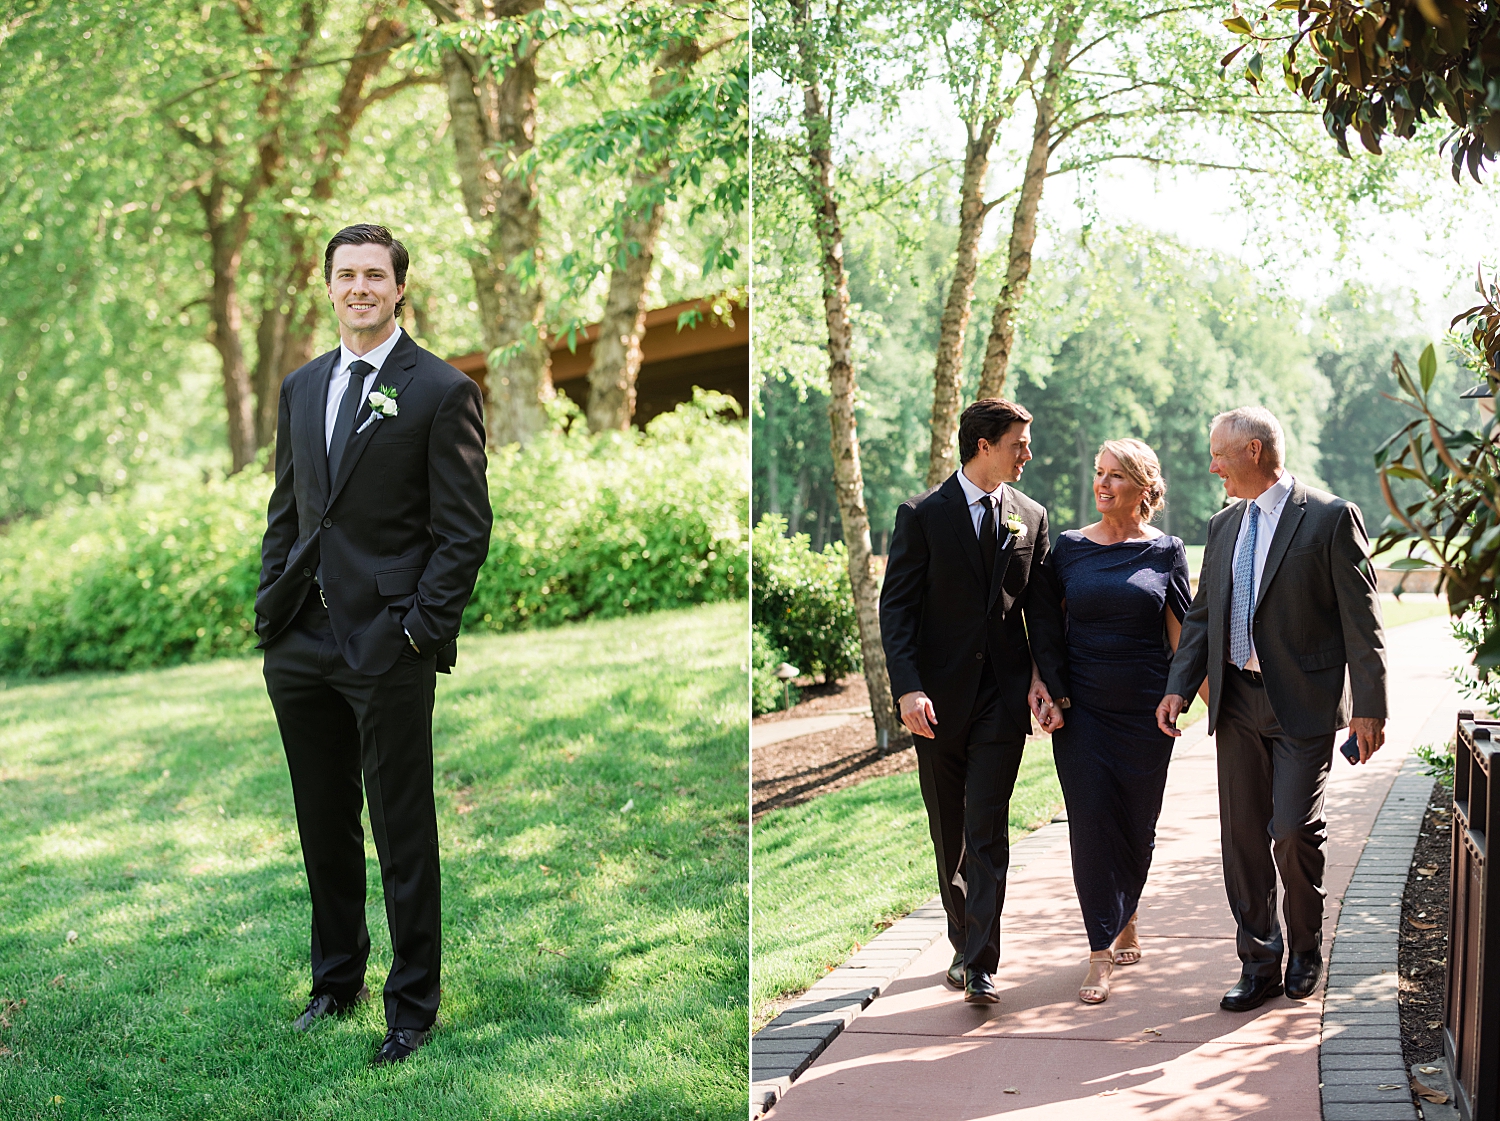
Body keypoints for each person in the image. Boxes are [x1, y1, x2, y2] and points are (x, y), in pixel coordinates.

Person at [255, 224, 492, 1064]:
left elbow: (464, 533)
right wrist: (269, 608)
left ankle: (412, 1006)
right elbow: (290, 508)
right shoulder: (302, 384)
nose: (359, 287)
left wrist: (418, 632)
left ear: (399, 289)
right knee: (322, 820)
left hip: (388, 643)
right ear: (328, 287)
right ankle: (336, 981)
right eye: (345, 274)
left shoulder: (439, 390)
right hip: (301, 639)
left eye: (373, 276)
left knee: (401, 827)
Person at [1156, 406, 1387, 1012]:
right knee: (1241, 839)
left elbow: (1362, 620)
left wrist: (1371, 707)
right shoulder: (1224, 523)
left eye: (1219, 454)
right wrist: (1180, 686)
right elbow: (1204, 615)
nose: (1212, 467)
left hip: (1302, 704)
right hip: (1234, 701)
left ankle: (1305, 948)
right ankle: (1258, 963)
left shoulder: (1332, 517)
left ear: (1253, 452)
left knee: (1291, 831)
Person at [879, 398, 1070, 1005]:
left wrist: (1045, 679)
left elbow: (1041, 609)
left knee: (987, 827)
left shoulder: (1031, 516)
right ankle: (964, 942)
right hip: (933, 703)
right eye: (1019, 442)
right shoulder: (921, 516)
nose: (1028, 454)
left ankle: (979, 962)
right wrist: (908, 688)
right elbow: (898, 611)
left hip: (1003, 700)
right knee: (950, 832)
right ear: (983, 445)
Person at [1047, 440, 1192, 1005]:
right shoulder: (1068, 549)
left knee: (1136, 821)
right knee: (1090, 822)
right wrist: (1045, 689)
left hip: (1144, 712)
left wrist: (1186, 696)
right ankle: (1099, 949)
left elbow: (1184, 635)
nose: (1102, 485)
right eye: (1099, 474)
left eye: (1116, 477)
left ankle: (1127, 911)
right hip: (1081, 711)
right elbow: (1049, 631)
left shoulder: (1166, 551)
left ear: (1144, 490)